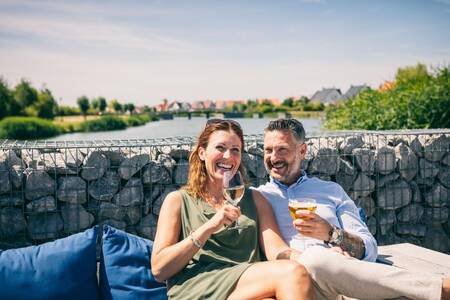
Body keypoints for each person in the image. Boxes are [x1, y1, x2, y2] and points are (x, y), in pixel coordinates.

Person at [256, 118, 450, 300]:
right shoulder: (257, 196)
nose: (274, 157)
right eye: (268, 150)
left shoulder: (331, 191)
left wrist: (333, 235)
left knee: (319, 260)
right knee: (315, 259)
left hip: (335, 283)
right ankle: (439, 289)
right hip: (289, 284)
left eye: (282, 149)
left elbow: (369, 248)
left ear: (302, 151)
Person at [151, 119, 315, 300]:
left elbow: (276, 250)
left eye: (235, 150)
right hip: (199, 287)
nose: (228, 156)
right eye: (220, 148)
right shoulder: (178, 201)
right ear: (202, 153)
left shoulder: (255, 199)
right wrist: (209, 227)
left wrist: (319, 259)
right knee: (292, 273)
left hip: (247, 286)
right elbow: (159, 270)